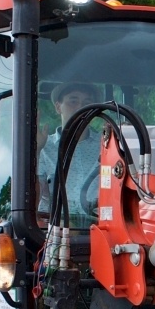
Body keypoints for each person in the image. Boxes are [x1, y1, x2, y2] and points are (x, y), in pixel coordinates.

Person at [37, 81, 102, 224]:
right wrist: (35, 151)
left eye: (87, 103)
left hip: (101, 229)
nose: (80, 108)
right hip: (54, 230)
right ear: (58, 107)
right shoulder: (43, 147)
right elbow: (32, 196)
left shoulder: (107, 145)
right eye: (73, 101)